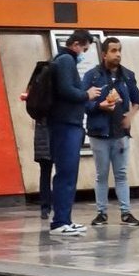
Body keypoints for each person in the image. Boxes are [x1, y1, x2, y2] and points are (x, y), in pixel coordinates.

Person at [82, 36, 139, 227]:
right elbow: (83, 103)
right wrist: (99, 106)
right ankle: (101, 213)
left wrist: (130, 116)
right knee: (101, 174)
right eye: (113, 51)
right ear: (104, 54)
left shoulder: (128, 76)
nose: (118, 54)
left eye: (119, 50)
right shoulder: (92, 76)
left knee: (121, 174)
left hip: (120, 132)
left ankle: (126, 212)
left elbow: (138, 100)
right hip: (99, 132)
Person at [46, 28, 94, 236]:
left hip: (65, 124)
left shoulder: (61, 60)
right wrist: (87, 94)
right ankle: (60, 221)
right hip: (66, 124)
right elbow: (66, 90)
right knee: (66, 173)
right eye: (85, 49)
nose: (84, 53)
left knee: (67, 173)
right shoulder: (66, 60)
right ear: (76, 44)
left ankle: (64, 219)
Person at [20, 60, 53, 218]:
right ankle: (58, 204)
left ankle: (45, 207)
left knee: (45, 172)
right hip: (55, 129)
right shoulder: (52, 85)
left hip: (41, 131)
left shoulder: (34, 85)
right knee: (61, 171)